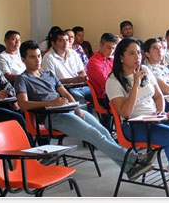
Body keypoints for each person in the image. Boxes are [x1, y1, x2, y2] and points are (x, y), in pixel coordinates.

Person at [14, 40, 155, 181]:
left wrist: (76, 107)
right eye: (32, 57)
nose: (37, 60)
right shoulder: (23, 79)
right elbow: (23, 104)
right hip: (51, 116)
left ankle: (128, 168)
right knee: (94, 135)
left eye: (38, 56)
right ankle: (133, 159)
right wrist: (51, 103)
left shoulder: (48, 74)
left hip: (67, 110)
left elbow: (65, 93)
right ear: (23, 59)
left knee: (104, 131)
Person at [106, 37, 169, 197]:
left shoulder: (145, 69)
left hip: (154, 119)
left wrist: (160, 111)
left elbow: (158, 96)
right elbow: (126, 113)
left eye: (138, 53)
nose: (137, 57)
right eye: (131, 53)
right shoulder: (113, 81)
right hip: (133, 126)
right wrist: (135, 83)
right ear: (121, 57)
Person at [42, 30, 92, 104]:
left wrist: (83, 77)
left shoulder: (73, 53)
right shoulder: (48, 57)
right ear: (53, 43)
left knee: (99, 95)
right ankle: (82, 115)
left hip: (81, 86)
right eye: (61, 41)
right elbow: (52, 81)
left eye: (67, 40)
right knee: (79, 99)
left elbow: (81, 71)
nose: (65, 43)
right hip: (65, 89)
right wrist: (72, 80)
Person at [87, 33, 118, 113]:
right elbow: (106, 84)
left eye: (113, 48)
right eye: (108, 48)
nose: (111, 51)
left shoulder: (112, 59)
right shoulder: (94, 62)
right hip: (104, 98)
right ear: (100, 45)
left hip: (114, 93)